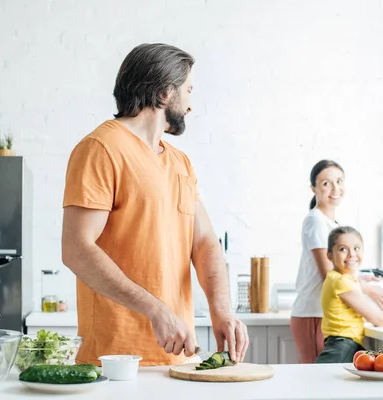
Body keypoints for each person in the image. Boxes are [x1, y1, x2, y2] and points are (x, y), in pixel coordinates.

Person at [61, 43, 248, 366]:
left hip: (177, 361)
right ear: (164, 93)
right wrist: (156, 309)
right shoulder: (100, 148)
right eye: (188, 90)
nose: (190, 104)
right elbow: (76, 248)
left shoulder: (180, 163)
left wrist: (222, 313)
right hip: (115, 362)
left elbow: (204, 242)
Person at [290, 160, 383, 364]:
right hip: (312, 313)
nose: (335, 188)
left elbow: (338, 271)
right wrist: (365, 288)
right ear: (314, 189)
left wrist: (361, 277)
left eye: (339, 181)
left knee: (323, 384)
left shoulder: (331, 223)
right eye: (326, 183)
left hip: (323, 314)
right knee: (315, 385)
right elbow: (327, 273)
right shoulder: (315, 220)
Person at [315, 226, 383, 363]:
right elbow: (379, 320)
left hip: (340, 344)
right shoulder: (341, 282)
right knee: (320, 382)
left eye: (356, 248)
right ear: (329, 255)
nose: (351, 254)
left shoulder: (336, 278)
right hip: (343, 346)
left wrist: (360, 280)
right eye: (343, 249)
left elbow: (348, 283)